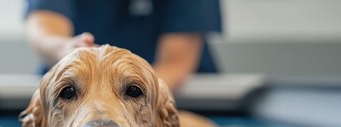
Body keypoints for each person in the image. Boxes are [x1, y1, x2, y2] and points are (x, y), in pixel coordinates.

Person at [25, 0, 222, 91]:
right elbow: (44, 30)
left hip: (182, 96)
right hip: (70, 96)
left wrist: (130, 95)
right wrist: (67, 49)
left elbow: (175, 64)